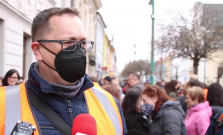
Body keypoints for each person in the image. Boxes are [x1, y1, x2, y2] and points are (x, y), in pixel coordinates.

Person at [0, 7, 127, 135]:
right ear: (38, 50)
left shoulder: (109, 104)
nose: (78, 51)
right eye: (68, 42)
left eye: (83, 43)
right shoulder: (4, 104)